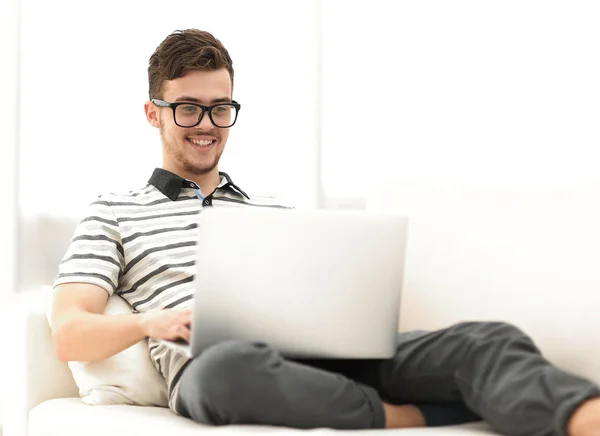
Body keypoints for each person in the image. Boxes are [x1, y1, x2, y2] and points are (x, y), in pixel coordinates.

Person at [50, 28, 600, 436]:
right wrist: (155, 321)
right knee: (227, 370)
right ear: (153, 113)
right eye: (189, 109)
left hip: (323, 358)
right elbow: (70, 330)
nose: (207, 126)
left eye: (220, 109)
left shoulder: (275, 207)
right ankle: (407, 416)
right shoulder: (115, 210)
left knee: (487, 340)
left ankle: (582, 418)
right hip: (214, 365)